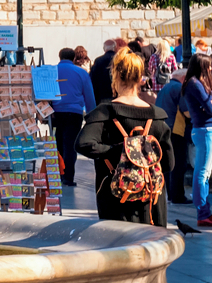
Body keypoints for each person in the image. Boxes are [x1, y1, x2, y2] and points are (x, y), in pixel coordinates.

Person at [76, 50, 176, 225]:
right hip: (151, 200)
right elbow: (168, 163)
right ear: (140, 79)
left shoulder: (104, 113)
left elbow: (83, 144)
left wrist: (120, 152)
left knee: (117, 250)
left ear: (114, 76)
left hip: (115, 198)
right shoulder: (157, 116)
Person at [177, 56, 212, 227]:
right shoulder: (195, 84)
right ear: (201, 66)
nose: (211, 69)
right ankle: (203, 213)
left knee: (203, 173)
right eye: (209, 66)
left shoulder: (198, 84)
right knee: (202, 174)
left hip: (206, 130)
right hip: (205, 131)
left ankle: (205, 212)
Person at [50, 48, 94, 186]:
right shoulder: (81, 72)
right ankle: (68, 177)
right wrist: (92, 115)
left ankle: (57, 175)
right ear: (74, 58)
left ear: (59, 56)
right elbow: (89, 96)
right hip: (74, 113)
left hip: (55, 113)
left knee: (57, 144)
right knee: (70, 145)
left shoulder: (52, 72)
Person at [90, 39, 118, 106]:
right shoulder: (120, 59)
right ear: (115, 48)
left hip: (102, 95)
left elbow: (93, 79)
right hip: (118, 95)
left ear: (104, 48)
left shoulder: (98, 61)